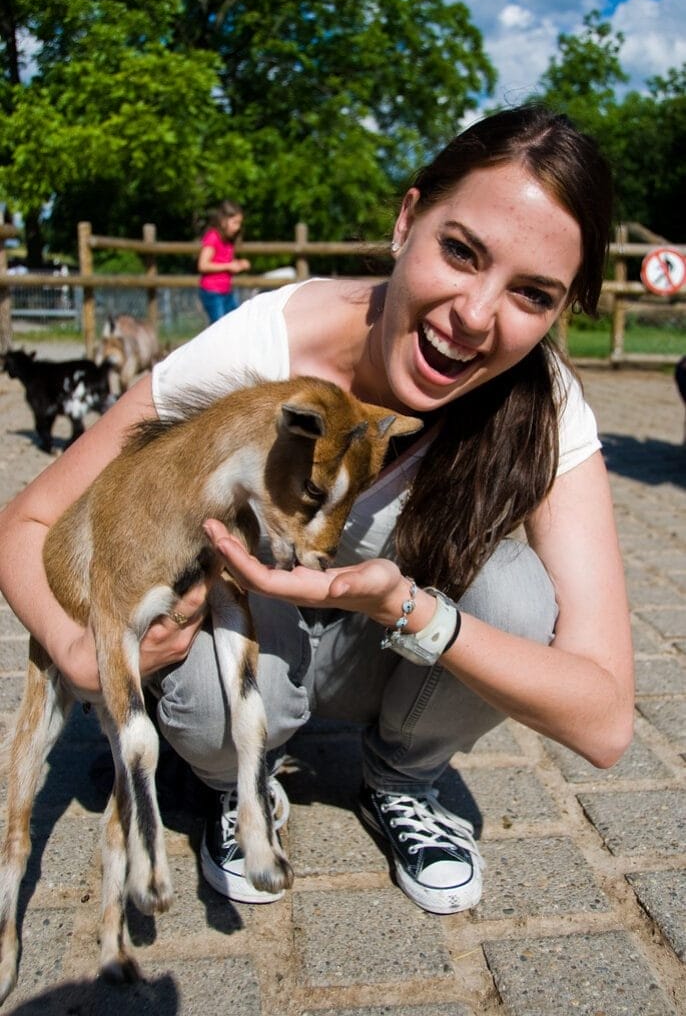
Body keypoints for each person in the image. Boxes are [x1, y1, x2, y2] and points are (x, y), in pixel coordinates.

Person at [0, 105, 634, 916]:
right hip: (259, 631)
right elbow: (26, 522)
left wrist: (406, 606)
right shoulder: (260, 353)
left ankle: (403, 779)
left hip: (392, 647)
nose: (475, 316)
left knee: (515, 596)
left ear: (560, 312)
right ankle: (236, 784)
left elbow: (607, 721)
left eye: (532, 294)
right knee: (206, 608)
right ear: (408, 222)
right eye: (460, 251)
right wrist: (75, 648)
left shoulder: (543, 409)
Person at [197, 199, 252, 322]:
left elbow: (224, 261)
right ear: (223, 220)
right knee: (220, 329)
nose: (237, 227)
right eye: (234, 223)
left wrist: (239, 264)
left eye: (239, 223)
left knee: (235, 324)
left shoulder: (228, 239)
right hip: (212, 292)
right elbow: (203, 265)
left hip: (226, 291)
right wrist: (229, 266)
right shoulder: (213, 237)